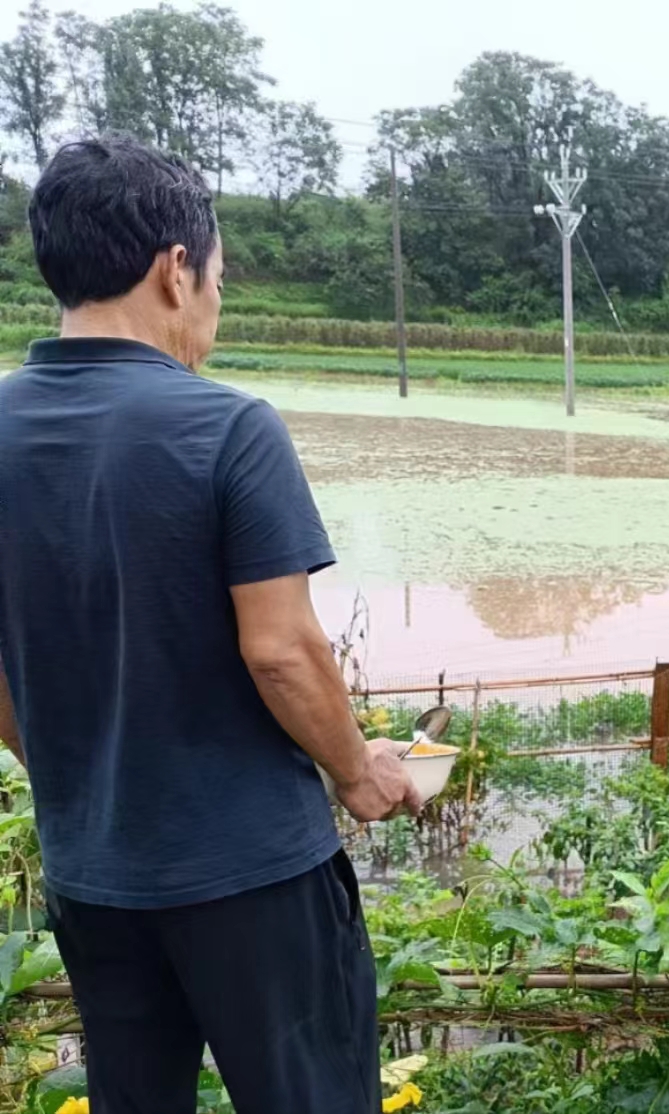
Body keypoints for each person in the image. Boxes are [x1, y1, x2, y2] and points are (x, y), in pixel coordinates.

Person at [0, 137, 421, 1112]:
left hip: (92, 877)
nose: (216, 314)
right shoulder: (227, 427)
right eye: (220, 283)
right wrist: (358, 771)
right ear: (174, 271)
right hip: (254, 878)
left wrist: (75, 771)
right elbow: (280, 648)